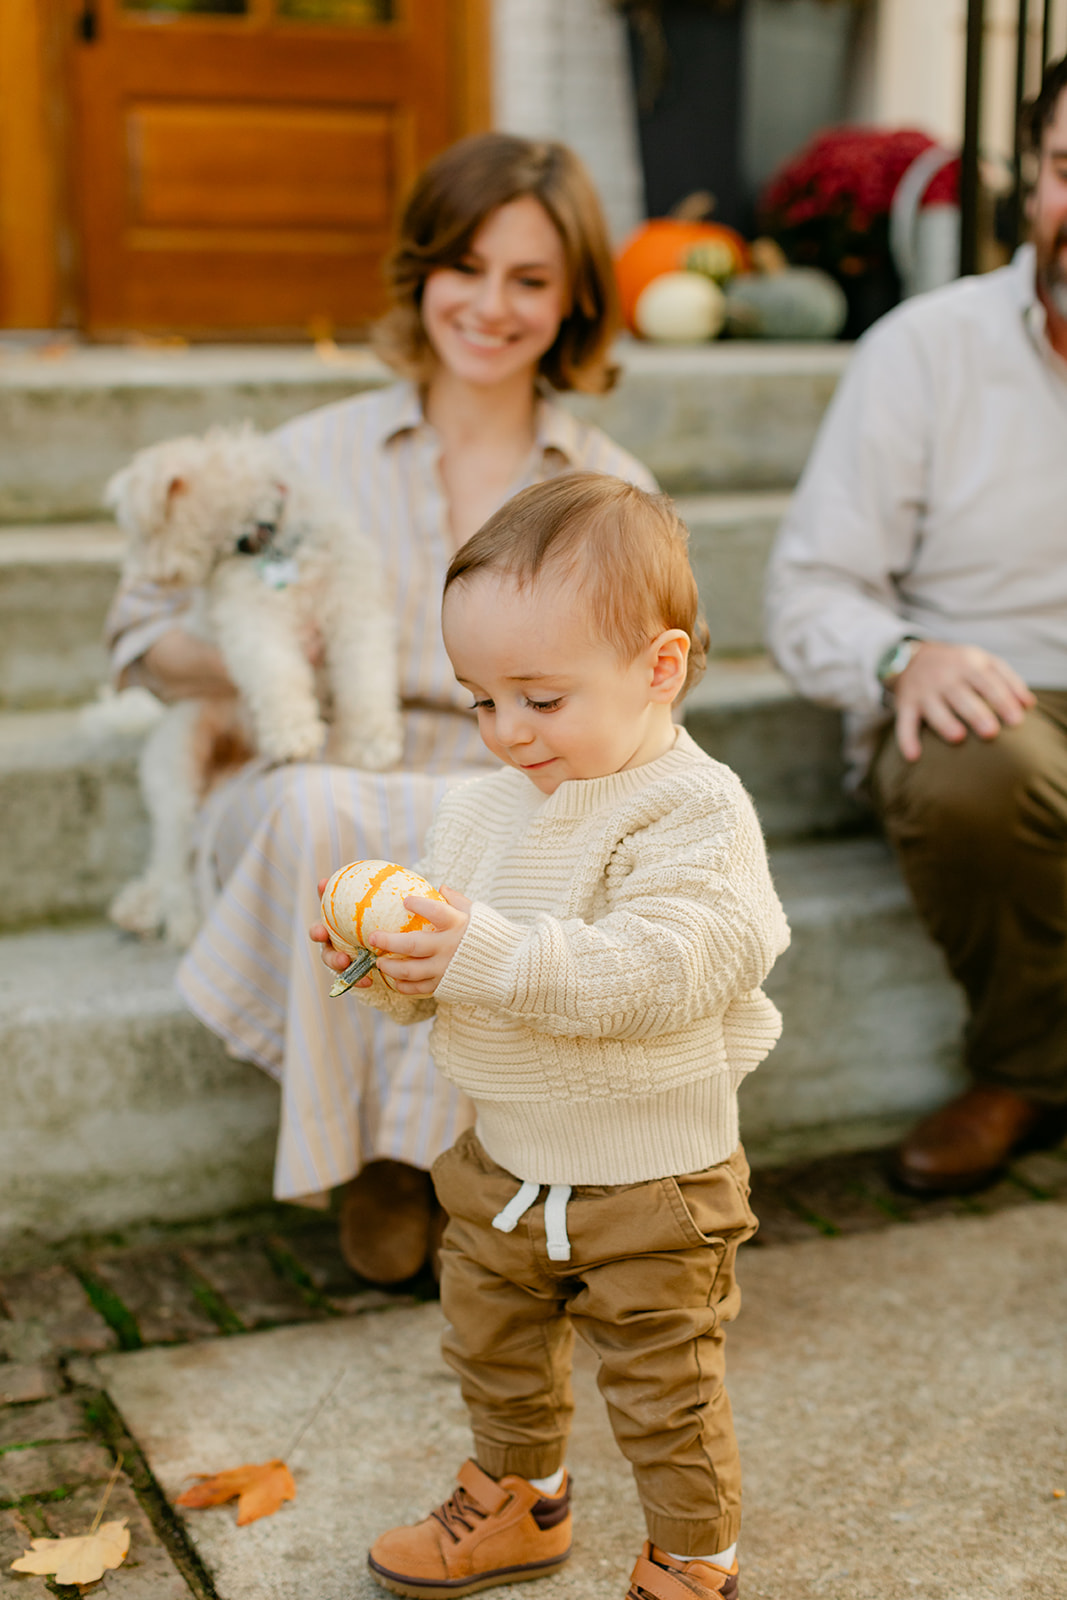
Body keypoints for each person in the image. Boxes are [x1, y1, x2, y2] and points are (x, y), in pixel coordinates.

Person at [104, 133, 656, 1283]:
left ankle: (453, 1154)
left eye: (529, 279)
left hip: (509, 763)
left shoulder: (607, 491)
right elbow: (140, 638)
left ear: (572, 299)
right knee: (324, 813)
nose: (490, 307)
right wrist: (259, 655)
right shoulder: (302, 457)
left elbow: (646, 692)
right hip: (315, 761)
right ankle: (381, 1162)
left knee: (508, 822)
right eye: (465, 267)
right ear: (420, 273)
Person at [313, 473, 790, 1600]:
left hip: (653, 1183)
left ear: (658, 668)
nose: (506, 730)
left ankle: (693, 1558)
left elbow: (667, 966)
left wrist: (480, 950)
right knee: (492, 1350)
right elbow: (467, 984)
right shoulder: (481, 805)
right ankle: (521, 1499)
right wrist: (392, 972)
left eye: (537, 696)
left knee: (663, 1389)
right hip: (503, 1164)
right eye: (480, 699)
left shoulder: (693, 810)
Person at [765, 56, 1067, 1196]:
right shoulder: (924, 348)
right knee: (975, 765)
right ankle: (1025, 1071)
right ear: (1029, 178)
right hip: (988, 701)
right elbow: (805, 595)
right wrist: (902, 656)